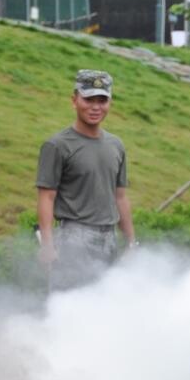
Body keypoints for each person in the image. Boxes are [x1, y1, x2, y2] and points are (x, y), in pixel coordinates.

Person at [36, 69, 137, 289]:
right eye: (89, 99)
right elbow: (46, 197)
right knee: (68, 302)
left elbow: (120, 196)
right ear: (74, 100)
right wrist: (47, 245)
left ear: (110, 103)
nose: (95, 107)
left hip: (108, 238)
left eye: (102, 100)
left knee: (102, 301)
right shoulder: (57, 145)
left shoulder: (116, 145)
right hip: (73, 238)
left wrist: (131, 241)